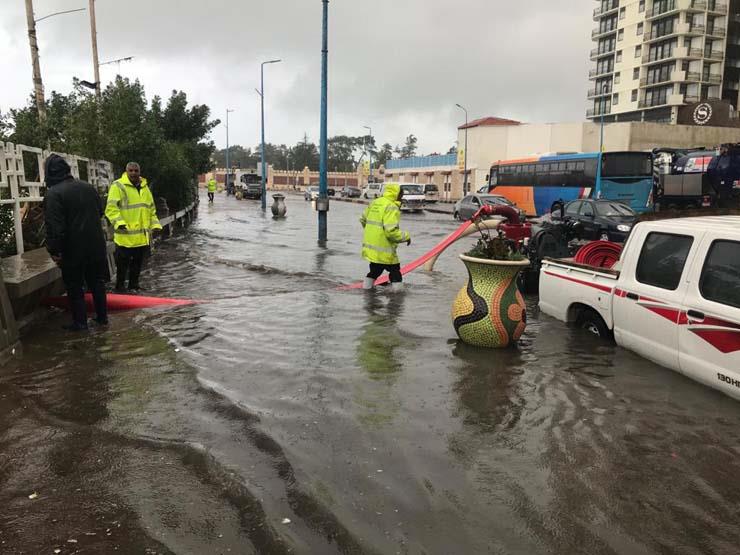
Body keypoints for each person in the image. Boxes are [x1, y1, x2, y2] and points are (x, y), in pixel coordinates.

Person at [44, 154, 109, 330]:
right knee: (97, 283)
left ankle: (80, 324)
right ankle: (102, 319)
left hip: (73, 251)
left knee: (75, 287)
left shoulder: (53, 194)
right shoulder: (88, 188)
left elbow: (56, 229)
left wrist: (55, 252)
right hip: (96, 246)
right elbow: (100, 212)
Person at [105, 162, 162, 293]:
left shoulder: (145, 188)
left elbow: (150, 210)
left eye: (136, 171)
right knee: (122, 265)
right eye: (131, 170)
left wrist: (155, 225)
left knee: (137, 265)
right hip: (125, 236)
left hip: (141, 237)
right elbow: (111, 209)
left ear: (139, 172)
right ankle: (120, 288)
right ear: (126, 171)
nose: (133, 173)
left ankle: (134, 286)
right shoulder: (118, 186)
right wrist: (119, 223)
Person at [360, 183, 411, 292]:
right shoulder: (391, 206)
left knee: (374, 271)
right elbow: (391, 231)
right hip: (385, 249)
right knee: (395, 273)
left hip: (372, 248)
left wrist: (373, 233)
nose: (401, 198)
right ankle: (397, 298)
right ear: (396, 194)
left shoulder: (375, 202)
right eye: (401, 195)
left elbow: (363, 219)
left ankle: (366, 291)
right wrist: (406, 236)